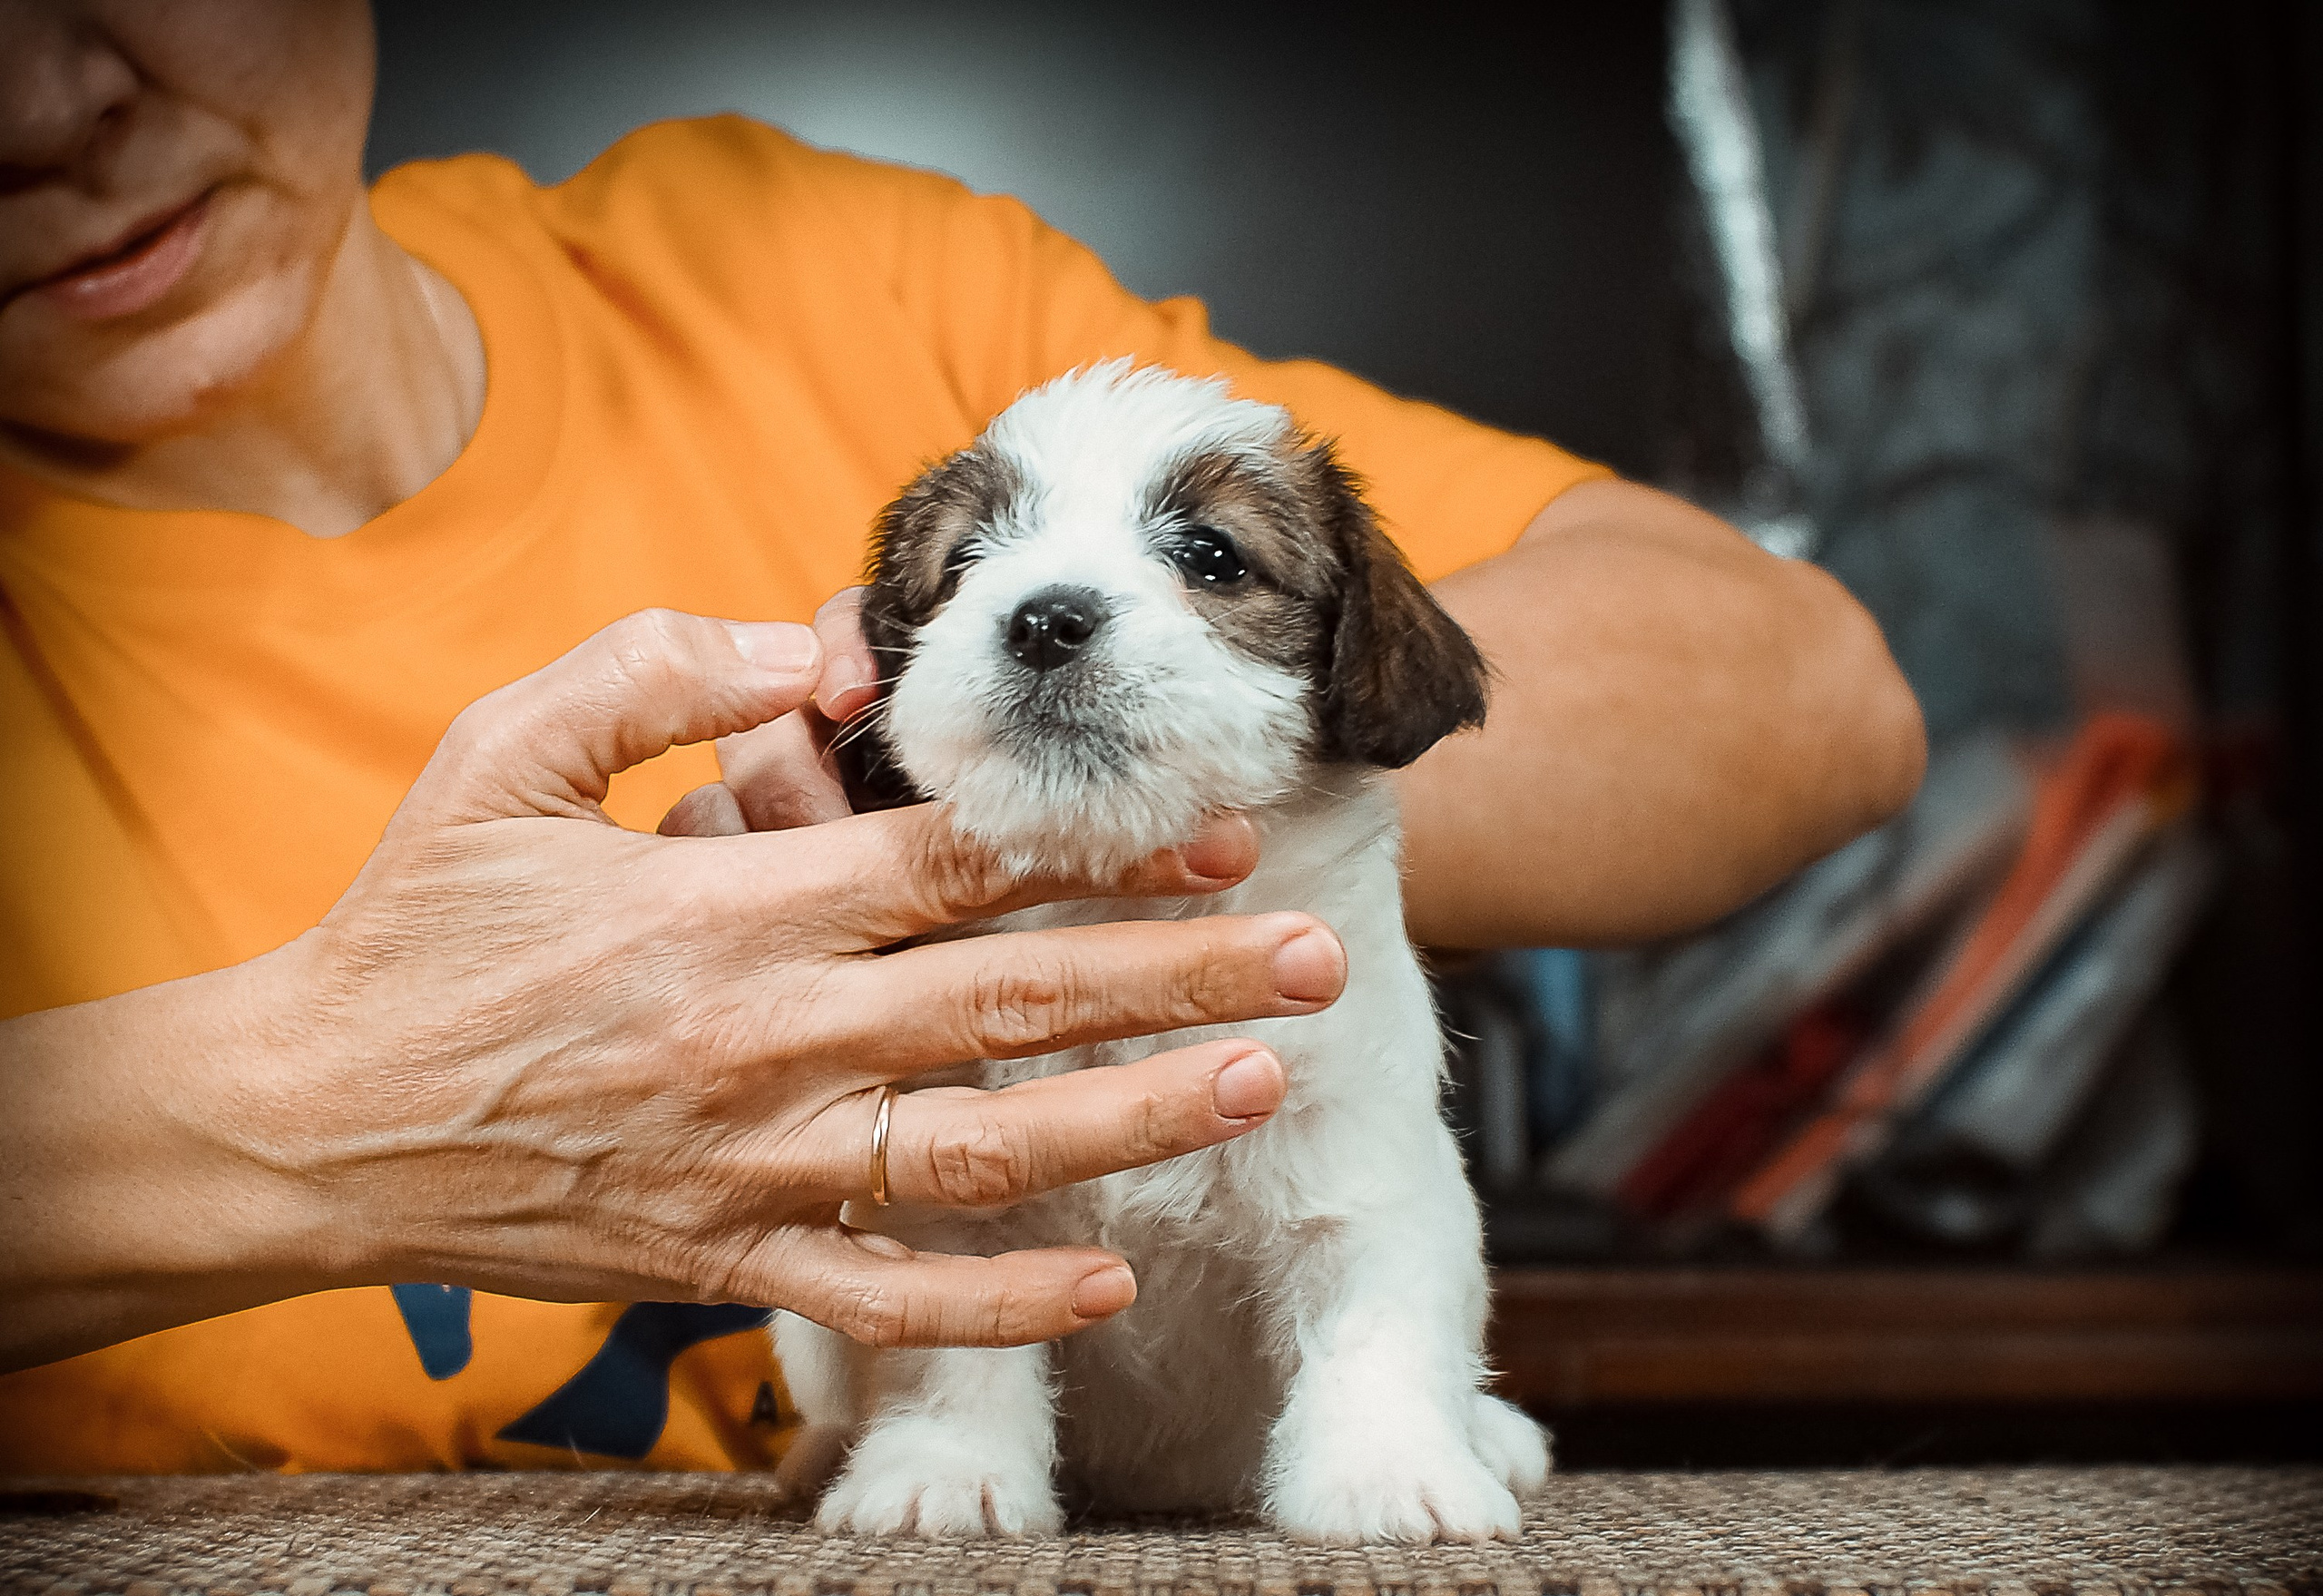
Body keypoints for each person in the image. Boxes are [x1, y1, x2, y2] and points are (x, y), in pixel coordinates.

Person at [0, 0, 1926, 1474]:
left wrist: (1117, 825)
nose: (39, 99)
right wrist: (322, 1116)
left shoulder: (810, 264)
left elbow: (1800, 690)